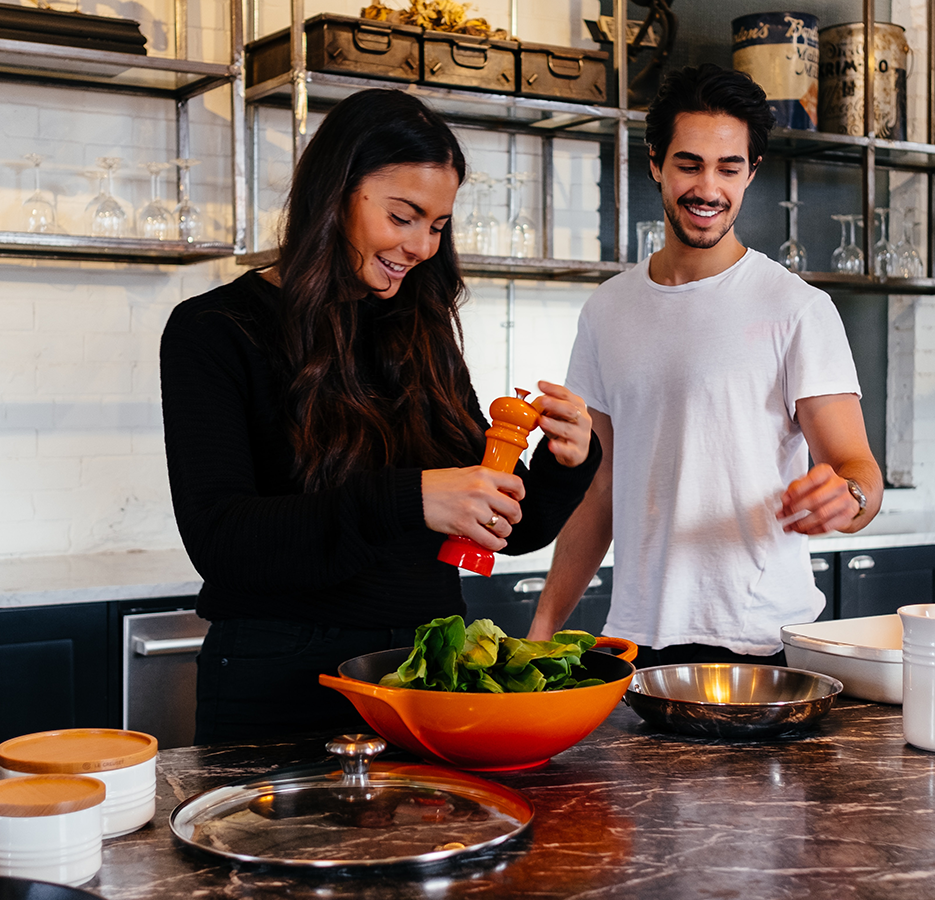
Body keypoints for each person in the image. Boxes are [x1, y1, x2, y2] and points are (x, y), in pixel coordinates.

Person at [160, 88, 600, 743]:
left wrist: (566, 462)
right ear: (337, 192)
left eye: (438, 225)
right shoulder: (214, 330)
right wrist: (411, 499)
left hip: (427, 683)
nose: (422, 245)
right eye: (404, 216)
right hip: (279, 693)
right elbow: (223, 543)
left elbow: (499, 529)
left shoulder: (421, 331)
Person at [527, 64, 882, 666]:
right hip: (636, 643)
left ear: (752, 173)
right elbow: (600, 488)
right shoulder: (608, 309)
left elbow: (859, 472)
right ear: (655, 164)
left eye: (729, 168)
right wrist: (540, 631)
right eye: (689, 164)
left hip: (764, 643)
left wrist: (847, 499)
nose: (708, 188)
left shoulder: (798, 308)